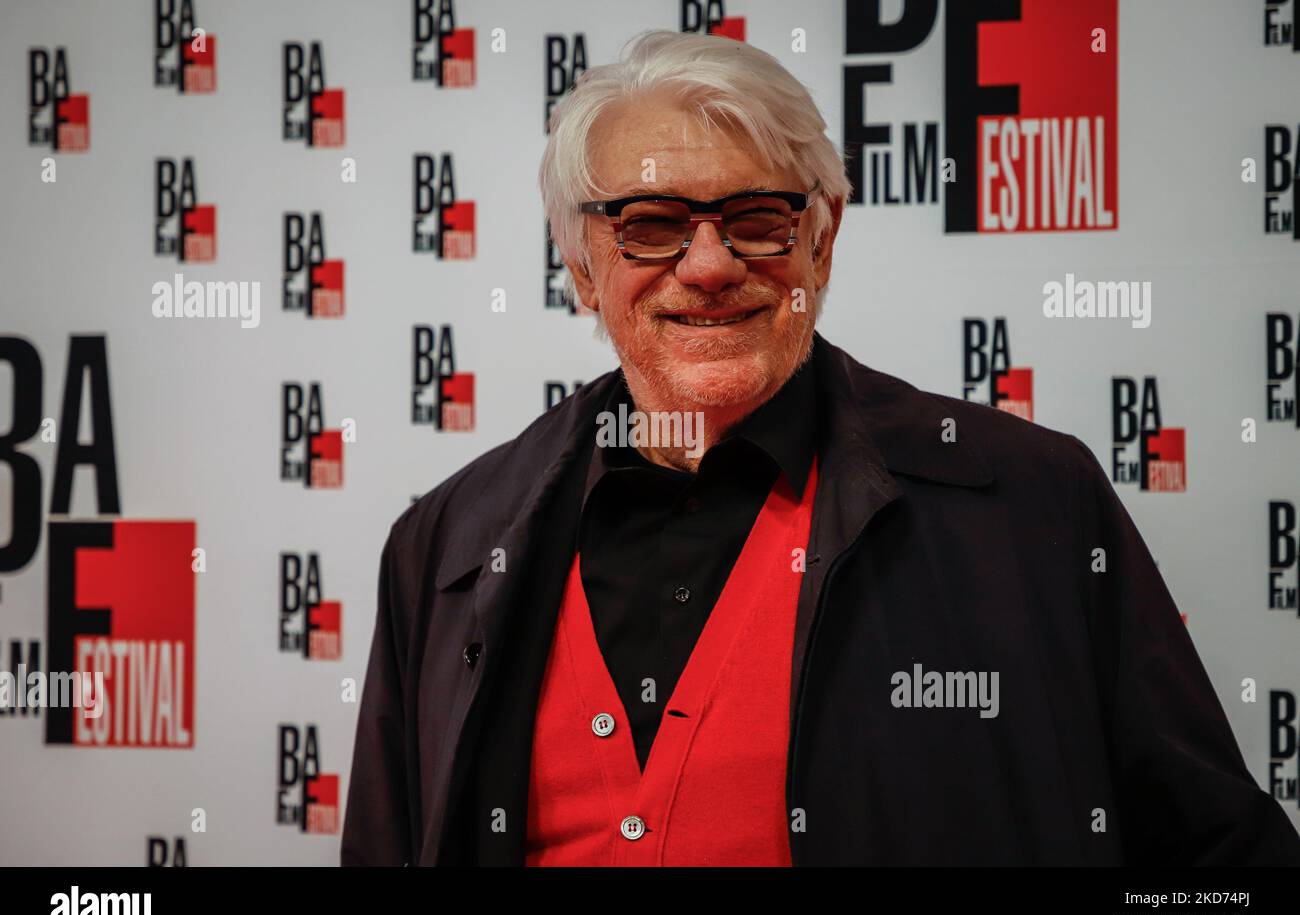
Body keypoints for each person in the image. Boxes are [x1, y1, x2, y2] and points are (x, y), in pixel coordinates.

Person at [341, 30, 1300, 866]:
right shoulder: (446, 548)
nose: (711, 266)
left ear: (823, 246)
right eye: (650, 225)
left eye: (760, 219)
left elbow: (1218, 873)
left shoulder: (1030, 504)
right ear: (583, 270)